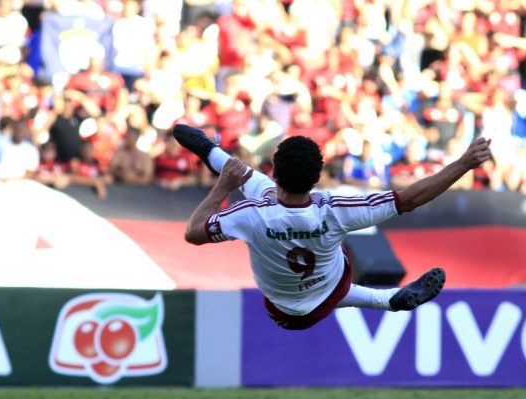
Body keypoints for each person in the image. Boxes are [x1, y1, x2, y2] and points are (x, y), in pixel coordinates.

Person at [173, 124, 492, 330]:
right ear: (317, 177)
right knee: (329, 256)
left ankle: (211, 152)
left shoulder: (250, 214)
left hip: (280, 306)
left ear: (274, 170)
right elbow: (409, 200)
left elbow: (193, 232)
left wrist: (222, 187)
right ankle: (387, 300)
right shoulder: (337, 209)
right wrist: (464, 164)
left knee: (259, 190)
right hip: (329, 291)